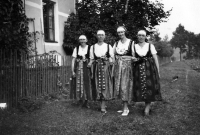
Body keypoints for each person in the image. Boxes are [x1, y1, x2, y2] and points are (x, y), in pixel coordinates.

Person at [132, 30, 162, 116]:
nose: (141, 37)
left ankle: (147, 108)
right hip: (138, 69)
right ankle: (146, 106)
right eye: (139, 35)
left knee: (150, 87)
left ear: (145, 37)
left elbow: (155, 58)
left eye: (142, 35)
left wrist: (158, 71)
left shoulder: (150, 46)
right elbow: (133, 58)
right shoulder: (134, 46)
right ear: (137, 36)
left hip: (149, 68)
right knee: (140, 87)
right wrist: (134, 60)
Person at [88, 30, 114, 113]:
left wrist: (109, 60)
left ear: (105, 36)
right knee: (97, 84)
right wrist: (89, 63)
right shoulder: (93, 47)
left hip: (105, 67)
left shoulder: (108, 46)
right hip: (96, 67)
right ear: (96, 36)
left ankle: (103, 105)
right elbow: (92, 59)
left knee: (104, 85)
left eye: (102, 35)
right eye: (99, 35)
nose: (100, 36)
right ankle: (101, 103)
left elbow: (112, 58)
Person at [112, 26, 135, 116]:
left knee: (124, 86)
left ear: (125, 32)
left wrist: (126, 58)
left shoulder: (131, 42)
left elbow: (134, 56)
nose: (120, 34)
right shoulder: (116, 43)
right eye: (119, 33)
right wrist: (114, 60)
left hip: (127, 67)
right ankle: (123, 107)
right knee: (119, 86)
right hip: (118, 67)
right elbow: (112, 54)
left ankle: (126, 108)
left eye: (122, 32)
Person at [70, 35, 93, 108]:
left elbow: (92, 58)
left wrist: (89, 62)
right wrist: (72, 71)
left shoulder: (90, 48)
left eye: (84, 39)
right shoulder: (76, 49)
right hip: (78, 68)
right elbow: (73, 60)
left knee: (87, 83)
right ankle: (80, 101)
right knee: (78, 83)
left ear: (86, 40)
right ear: (79, 41)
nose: (82, 41)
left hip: (87, 68)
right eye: (81, 39)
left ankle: (86, 101)